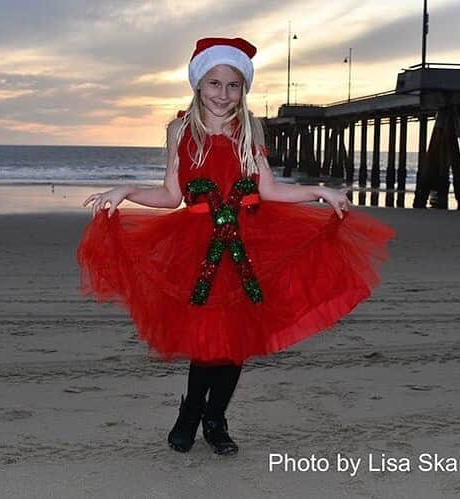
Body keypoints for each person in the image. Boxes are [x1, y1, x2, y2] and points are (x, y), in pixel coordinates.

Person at [76, 37, 395, 456]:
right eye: (214, 83)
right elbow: (172, 195)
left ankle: (216, 417)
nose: (223, 94)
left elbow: (270, 190)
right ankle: (191, 411)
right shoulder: (180, 130)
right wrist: (126, 190)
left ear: (243, 89)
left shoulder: (250, 128)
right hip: (198, 246)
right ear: (198, 85)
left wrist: (319, 191)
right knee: (208, 338)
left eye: (233, 85)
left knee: (235, 342)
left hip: (247, 245)